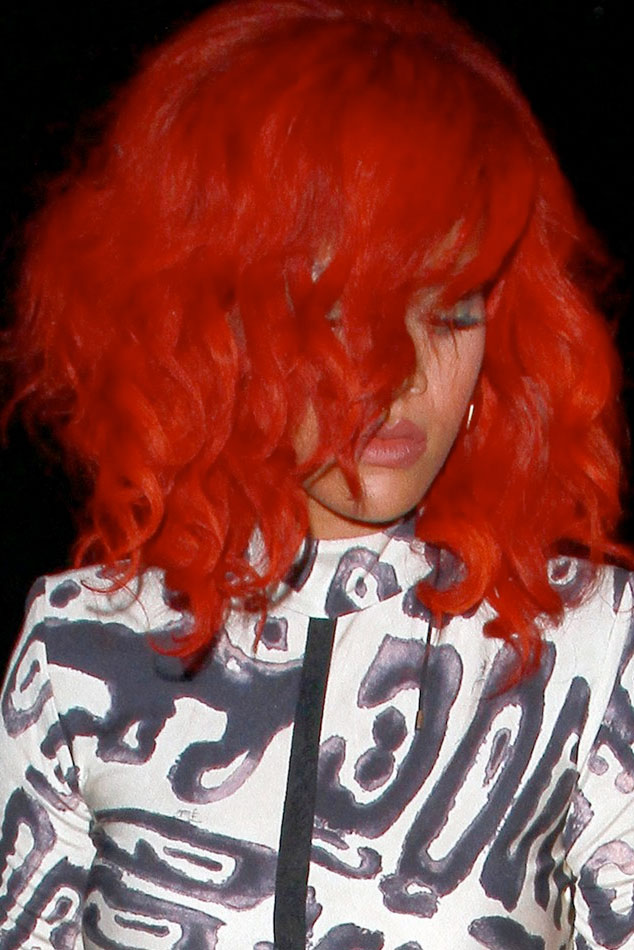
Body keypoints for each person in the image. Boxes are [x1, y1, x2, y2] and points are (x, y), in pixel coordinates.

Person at [1, 0, 633, 947]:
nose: (399, 371)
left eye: (452, 311)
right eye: (338, 311)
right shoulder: (80, 650)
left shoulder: (589, 648)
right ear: (221, 325)